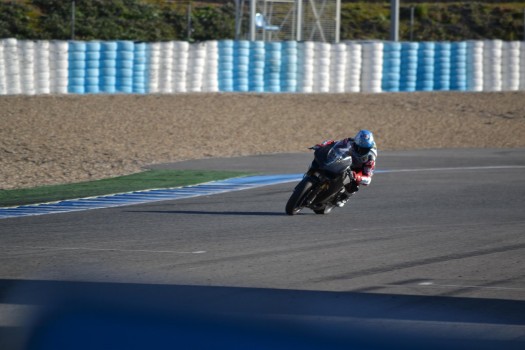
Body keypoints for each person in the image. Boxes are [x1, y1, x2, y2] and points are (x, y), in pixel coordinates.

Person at [313, 129, 377, 207]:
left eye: (364, 150)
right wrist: (322, 146)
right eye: (359, 147)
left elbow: (368, 179)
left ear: (369, 148)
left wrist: (357, 177)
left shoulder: (370, 158)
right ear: (355, 142)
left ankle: (345, 197)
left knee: (355, 184)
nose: (361, 151)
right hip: (344, 161)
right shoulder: (349, 142)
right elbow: (333, 143)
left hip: (357, 169)